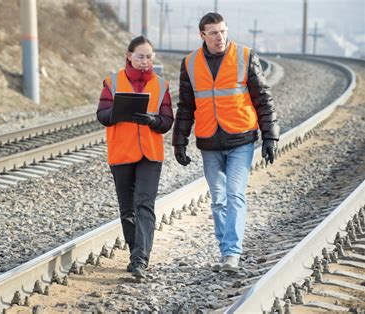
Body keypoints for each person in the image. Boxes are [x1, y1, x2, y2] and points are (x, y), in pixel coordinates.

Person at [172, 12, 280, 272]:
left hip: (241, 139)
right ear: (202, 35)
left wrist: (270, 136)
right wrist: (179, 141)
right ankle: (226, 250)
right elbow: (186, 107)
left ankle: (231, 253)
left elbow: (263, 98)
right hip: (209, 142)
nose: (219, 37)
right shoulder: (189, 63)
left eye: (222, 31)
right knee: (218, 199)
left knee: (234, 195)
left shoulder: (245, 56)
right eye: (213, 33)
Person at [97, 36, 174, 279]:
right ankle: (135, 254)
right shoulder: (112, 82)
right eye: (140, 56)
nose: (144, 61)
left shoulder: (161, 85)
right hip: (122, 153)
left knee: (145, 205)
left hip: (150, 155)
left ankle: (141, 259)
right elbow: (102, 115)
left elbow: (167, 121)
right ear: (129, 55)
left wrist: (153, 120)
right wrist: (119, 112)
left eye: (149, 56)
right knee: (127, 209)